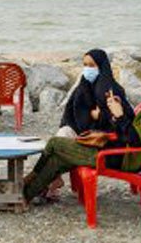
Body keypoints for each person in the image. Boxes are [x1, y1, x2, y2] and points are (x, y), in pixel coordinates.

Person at [23, 72, 141, 204]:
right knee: (58, 159)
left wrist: (120, 115)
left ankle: (30, 181)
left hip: (120, 158)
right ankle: (26, 194)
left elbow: (135, 140)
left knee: (55, 143)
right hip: (121, 152)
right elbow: (130, 133)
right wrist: (118, 114)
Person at [46, 49, 135, 199]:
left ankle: (46, 184)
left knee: (57, 143)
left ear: (101, 66)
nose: (87, 69)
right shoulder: (84, 86)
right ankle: (53, 180)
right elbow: (72, 112)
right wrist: (90, 115)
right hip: (81, 131)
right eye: (85, 65)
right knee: (63, 134)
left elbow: (120, 120)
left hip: (98, 140)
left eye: (91, 65)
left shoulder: (111, 89)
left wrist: (99, 115)